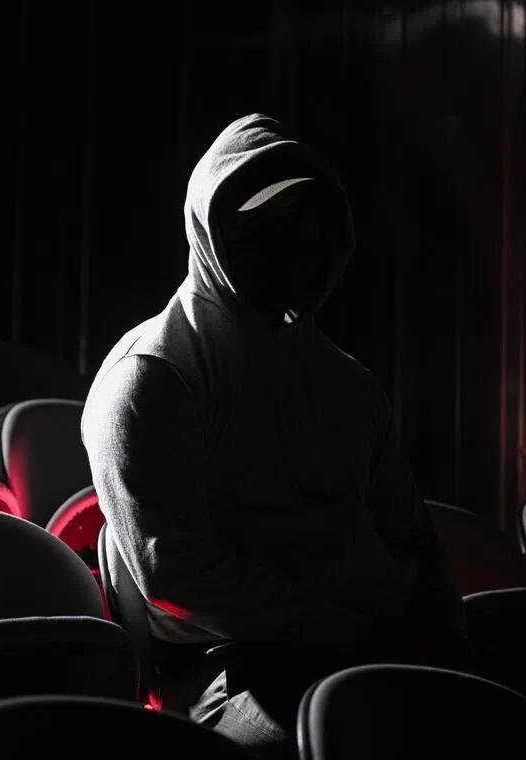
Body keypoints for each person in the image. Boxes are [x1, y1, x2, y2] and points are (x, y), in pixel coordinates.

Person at [81, 114, 472, 758]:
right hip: (228, 672)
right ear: (213, 227)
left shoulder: (350, 387)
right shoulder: (154, 374)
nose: (293, 239)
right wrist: (341, 627)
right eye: (262, 218)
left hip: (372, 649)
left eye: (308, 217)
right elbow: (173, 571)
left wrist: (446, 642)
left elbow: (412, 539)